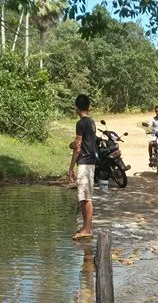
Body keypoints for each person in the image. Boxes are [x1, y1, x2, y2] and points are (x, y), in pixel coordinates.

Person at [67, 94, 96, 240]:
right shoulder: (91, 122)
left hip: (84, 162)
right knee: (85, 196)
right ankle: (85, 227)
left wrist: (71, 167)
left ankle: (87, 229)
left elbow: (77, 147)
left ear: (76, 108)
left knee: (86, 197)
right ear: (88, 107)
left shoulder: (80, 123)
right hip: (90, 162)